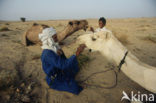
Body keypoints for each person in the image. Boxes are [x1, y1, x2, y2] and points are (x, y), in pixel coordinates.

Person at [39, 27, 86, 95]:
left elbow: (64, 60)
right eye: (54, 38)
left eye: (56, 37)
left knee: (75, 66)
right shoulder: (48, 53)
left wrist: (61, 53)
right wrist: (76, 54)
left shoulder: (54, 48)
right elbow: (63, 65)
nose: (57, 39)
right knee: (75, 88)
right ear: (49, 39)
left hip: (59, 71)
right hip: (55, 79)